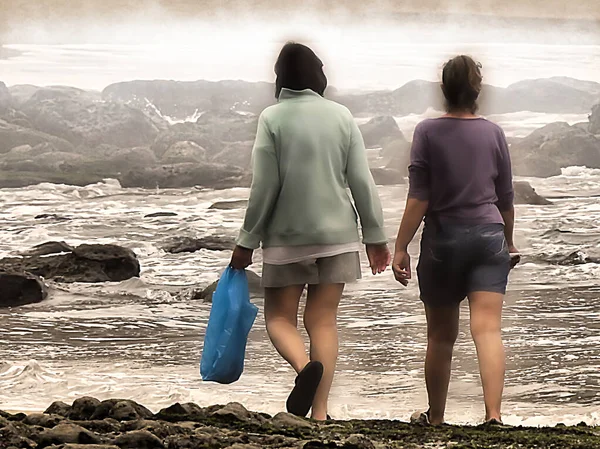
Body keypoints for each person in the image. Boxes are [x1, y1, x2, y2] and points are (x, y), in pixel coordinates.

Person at [230, 42, 390, 421]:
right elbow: (361, 181)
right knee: (322, 320)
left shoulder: (272, 118)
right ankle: (319, 413)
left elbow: (264, 187)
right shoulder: (341, 116)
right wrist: (375, 237)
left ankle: (305, 370)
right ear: (318, 74)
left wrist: (246, 241)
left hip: (287, 238)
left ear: (281, 77)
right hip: (339, 236)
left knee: (279, 319)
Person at [392, 55, 519, 426]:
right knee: (488, 330)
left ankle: (436, 418)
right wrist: (508, 242)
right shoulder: (493, 132)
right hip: (488, 238)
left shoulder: (427, 131)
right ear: (477, 90)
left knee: (441, 337)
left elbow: (419, 197)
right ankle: (493, 415)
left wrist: (401, 246)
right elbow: (505, 197)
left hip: (443, 243)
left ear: (444, 89)